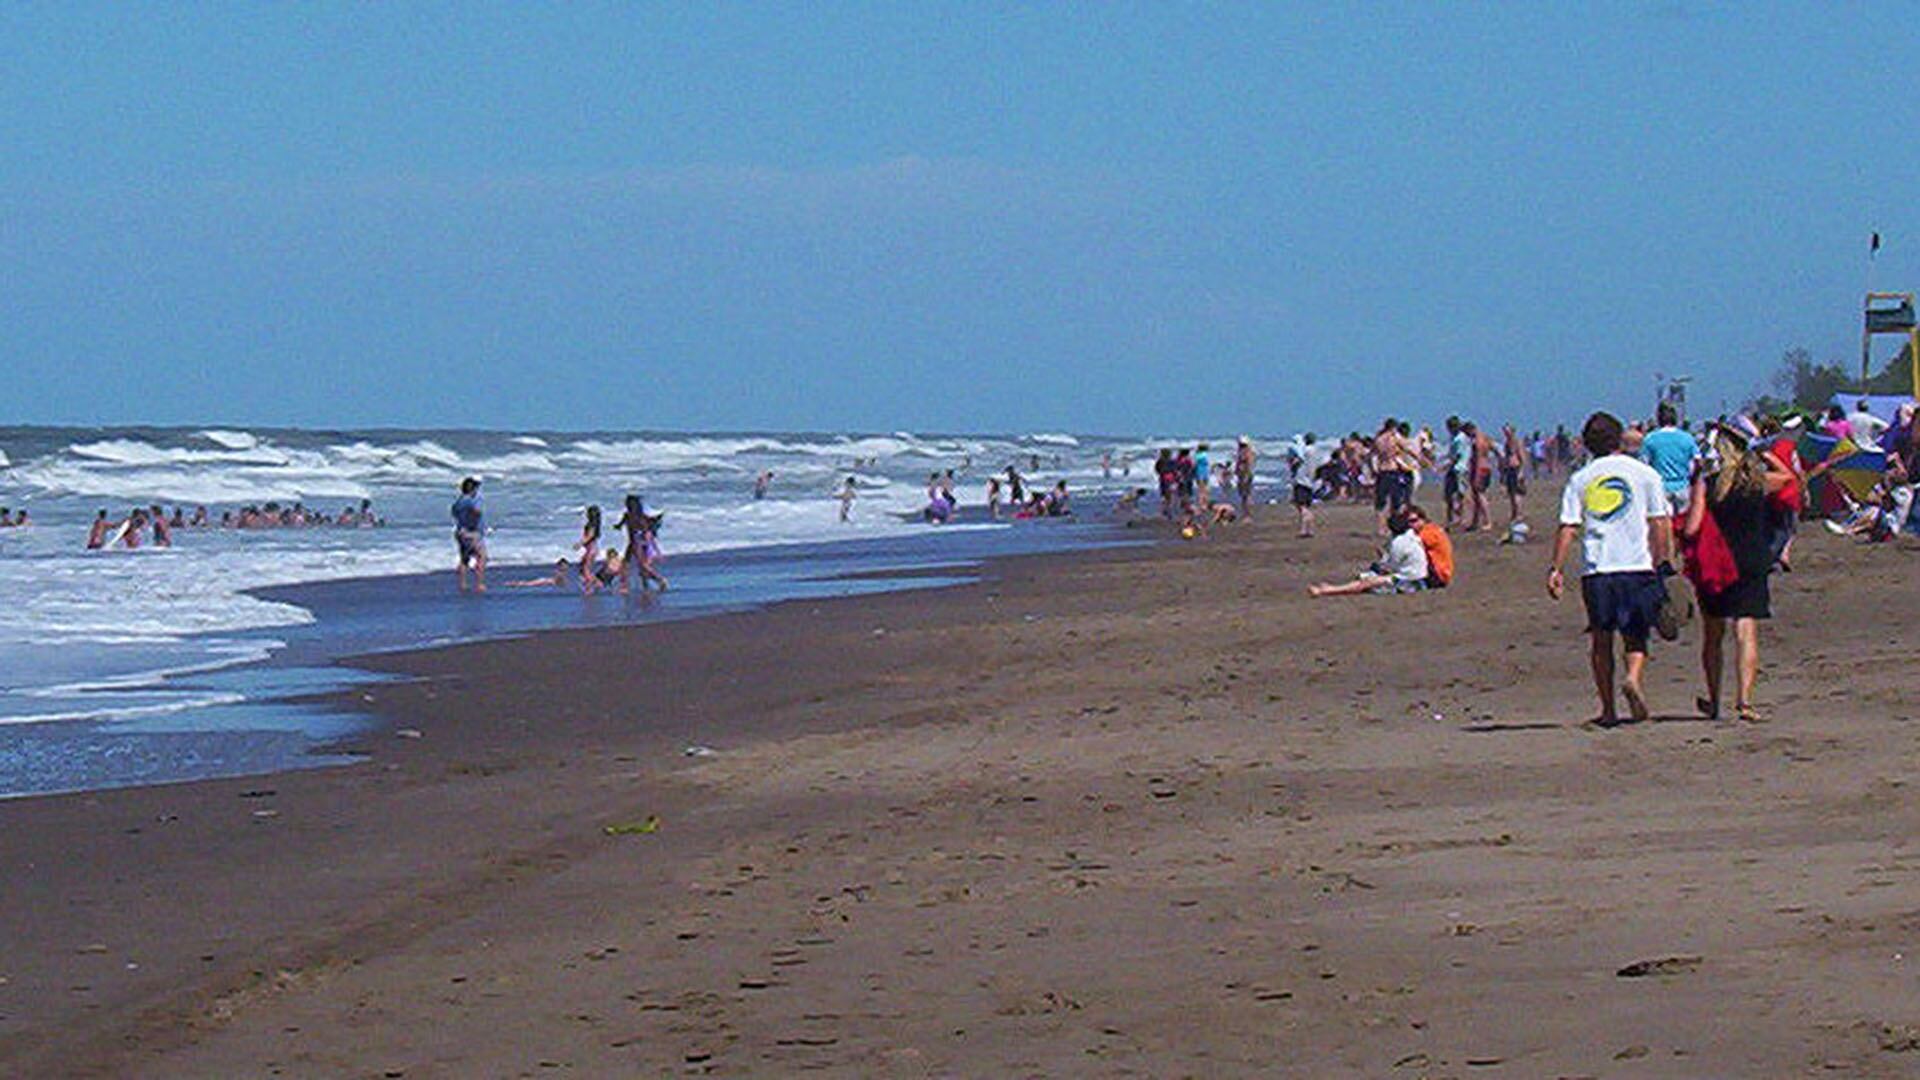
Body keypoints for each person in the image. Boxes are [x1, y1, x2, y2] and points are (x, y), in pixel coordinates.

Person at [1547, 412, 1673, 727]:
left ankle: (1608, 709)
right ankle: (1633, 677)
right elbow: (1659, 522)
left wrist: (1556, 569)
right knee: (1636, 635)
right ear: (1619, 439)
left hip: (1598, 569)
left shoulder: (1581, 478)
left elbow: (1568, 527)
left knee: (1600, 639)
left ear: (1588, 444)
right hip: (1637, 565)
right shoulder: (1645, 474)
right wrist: (1663, 561)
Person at [1683, 420, 1792, 722]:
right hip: (1752, 559)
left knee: (1713, 634)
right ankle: (1744, 701)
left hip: (1718, 562)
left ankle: (1715, 700)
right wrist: (1764, 454)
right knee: (1746, 630)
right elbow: (1787, 478)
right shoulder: (1757, 481)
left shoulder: (1709, 482)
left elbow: (1692, 527)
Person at [1309, 511, 1429, 597]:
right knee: (1370, 579)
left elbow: (1391, 566)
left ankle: (1328, 590)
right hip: (1416, 577)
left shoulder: (1399, 542)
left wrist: (1382, 562)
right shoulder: (1412, 536)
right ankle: (1329, 589)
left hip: (1410, 581)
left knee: (1369, 582)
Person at [1640, 402, 1700, 515]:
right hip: (1682, 486)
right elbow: (1697, 461)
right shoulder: (1687, 438)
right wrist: (1693, 479)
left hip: (1660, 488)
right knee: (1682, 520)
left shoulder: (1650, 439)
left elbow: (1644, 464)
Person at [452, 477, 487, 592]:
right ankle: (479, 584)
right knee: (481, 557)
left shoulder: (458, 502)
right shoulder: (471, 501)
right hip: (472, 532)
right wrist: (475, 519)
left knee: (464, 559)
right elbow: (477, 511)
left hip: (460, 531)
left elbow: (454, 514)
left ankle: (463, 584)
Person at [1406, 504, 1454, 589]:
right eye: (1408, 522)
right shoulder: (1432, 529)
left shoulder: (1427, 533)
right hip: (1442, 573)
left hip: (1437, 574)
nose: (1410, 525)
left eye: (1414, 521)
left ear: (1423, 519)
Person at [1443, 416, 1469, 527]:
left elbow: (1457, 456)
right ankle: (1452, 518)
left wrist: (1446, 466)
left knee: (1460, 494)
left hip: (1459, 469)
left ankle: (1461, 518)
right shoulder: (1455, 438)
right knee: (1449, 495)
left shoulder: (1460, 438)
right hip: (1455, 469)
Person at [575, 505, 603, 593]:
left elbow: (589, 536)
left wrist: (579, 544)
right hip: (592, 549)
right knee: (583, 567)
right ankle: (596, 583)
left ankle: (590, 587)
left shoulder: (591, 525)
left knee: (586, 569)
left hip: (591, 549)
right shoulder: (595, 524)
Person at [1233, 437, 1257, 518]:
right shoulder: (1242, 452)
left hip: (1245, 474)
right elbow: (1239, 463)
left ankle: (1247, 513)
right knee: (1243, 494)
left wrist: (1247, 475)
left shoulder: (1247, 452)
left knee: (1246, 494)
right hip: (1242, 474)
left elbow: (1249, 464)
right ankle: (1245, 512)